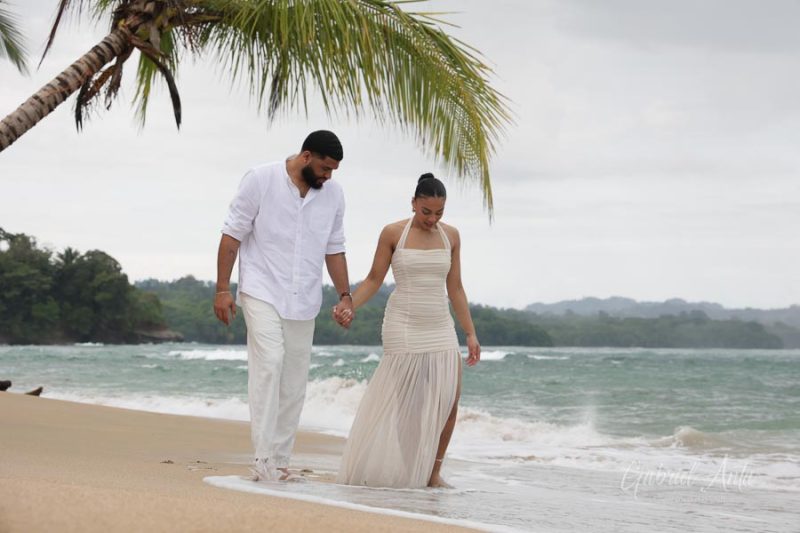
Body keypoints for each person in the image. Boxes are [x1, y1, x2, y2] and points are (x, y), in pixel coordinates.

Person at [213, 130, 354, 482]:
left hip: (304, 298)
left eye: (333, 170)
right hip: (261, 288)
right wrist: (222, 289)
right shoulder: (260, 179)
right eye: (324, 168)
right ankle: (263, 458)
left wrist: (345, 295)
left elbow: (334, 248)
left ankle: (280, 460)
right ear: (306, 156)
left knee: (294, 382)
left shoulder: (334, 195)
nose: (328, 176)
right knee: (270, 363)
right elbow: (232, 234)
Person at [334, 173, 481, 489]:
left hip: (440, 324)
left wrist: (470, 333)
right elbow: (374, 279)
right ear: (413, 203)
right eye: (426, 211)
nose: (432, 219)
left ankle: (433, 473)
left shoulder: (451, 236)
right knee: (407, 405)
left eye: (439, 213)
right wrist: (350, 305)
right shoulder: (393, 233)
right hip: (402, 324)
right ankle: (411, 467)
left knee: (449, 402)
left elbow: (455, 288)